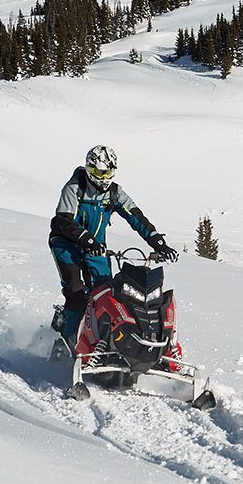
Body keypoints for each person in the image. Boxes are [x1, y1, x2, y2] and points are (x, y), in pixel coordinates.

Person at [50, 145, 175, 349]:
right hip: (66, 244)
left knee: (106, 293)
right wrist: (86, 238)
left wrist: (158, 242)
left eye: (108, 172)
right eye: (99, 172)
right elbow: (62, 221)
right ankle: (68, 342)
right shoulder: (74, 188)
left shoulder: (115, 193)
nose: (104, 178)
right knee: (76, 294)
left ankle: (106, 341)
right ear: (90, 169)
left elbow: (136, 217)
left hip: (96, 248)